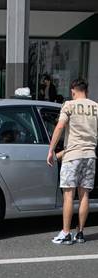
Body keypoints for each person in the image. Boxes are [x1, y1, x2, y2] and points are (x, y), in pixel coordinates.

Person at [47, 78, 97, 245]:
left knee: (68, 195)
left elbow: (60, 127)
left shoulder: (69, 105)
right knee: (84, 195)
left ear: (73, 90)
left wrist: (51, 150)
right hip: (90, 156)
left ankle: (66, 233)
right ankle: (81, 233)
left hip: (73, 155)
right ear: (86, 91)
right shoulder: (96, 107)